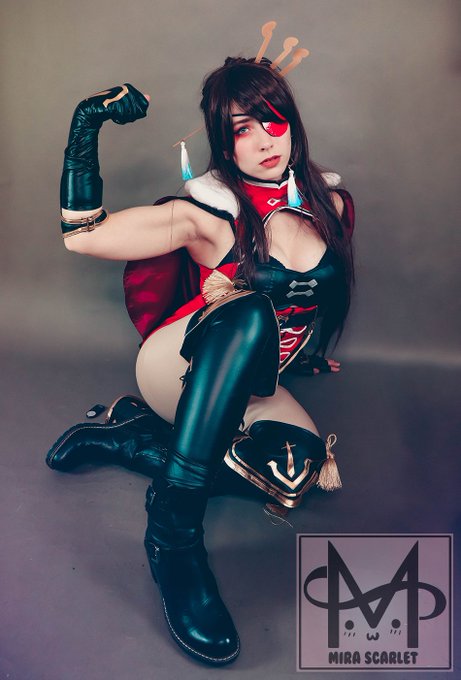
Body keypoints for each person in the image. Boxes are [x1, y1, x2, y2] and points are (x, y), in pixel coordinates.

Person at [49, 55, 354, 665]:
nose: (264, 140)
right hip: (180, 369)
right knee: (247, 311)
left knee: (296, 472)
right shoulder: (208, 217)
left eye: (273, 119)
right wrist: (86, 127)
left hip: (252, 384)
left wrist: (308, 358)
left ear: (292, 122)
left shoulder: (331, 205)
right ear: (223, 141)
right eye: (243, 128)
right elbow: (83, 235)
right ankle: (174, 535)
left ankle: (129, 438)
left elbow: (314, 300)